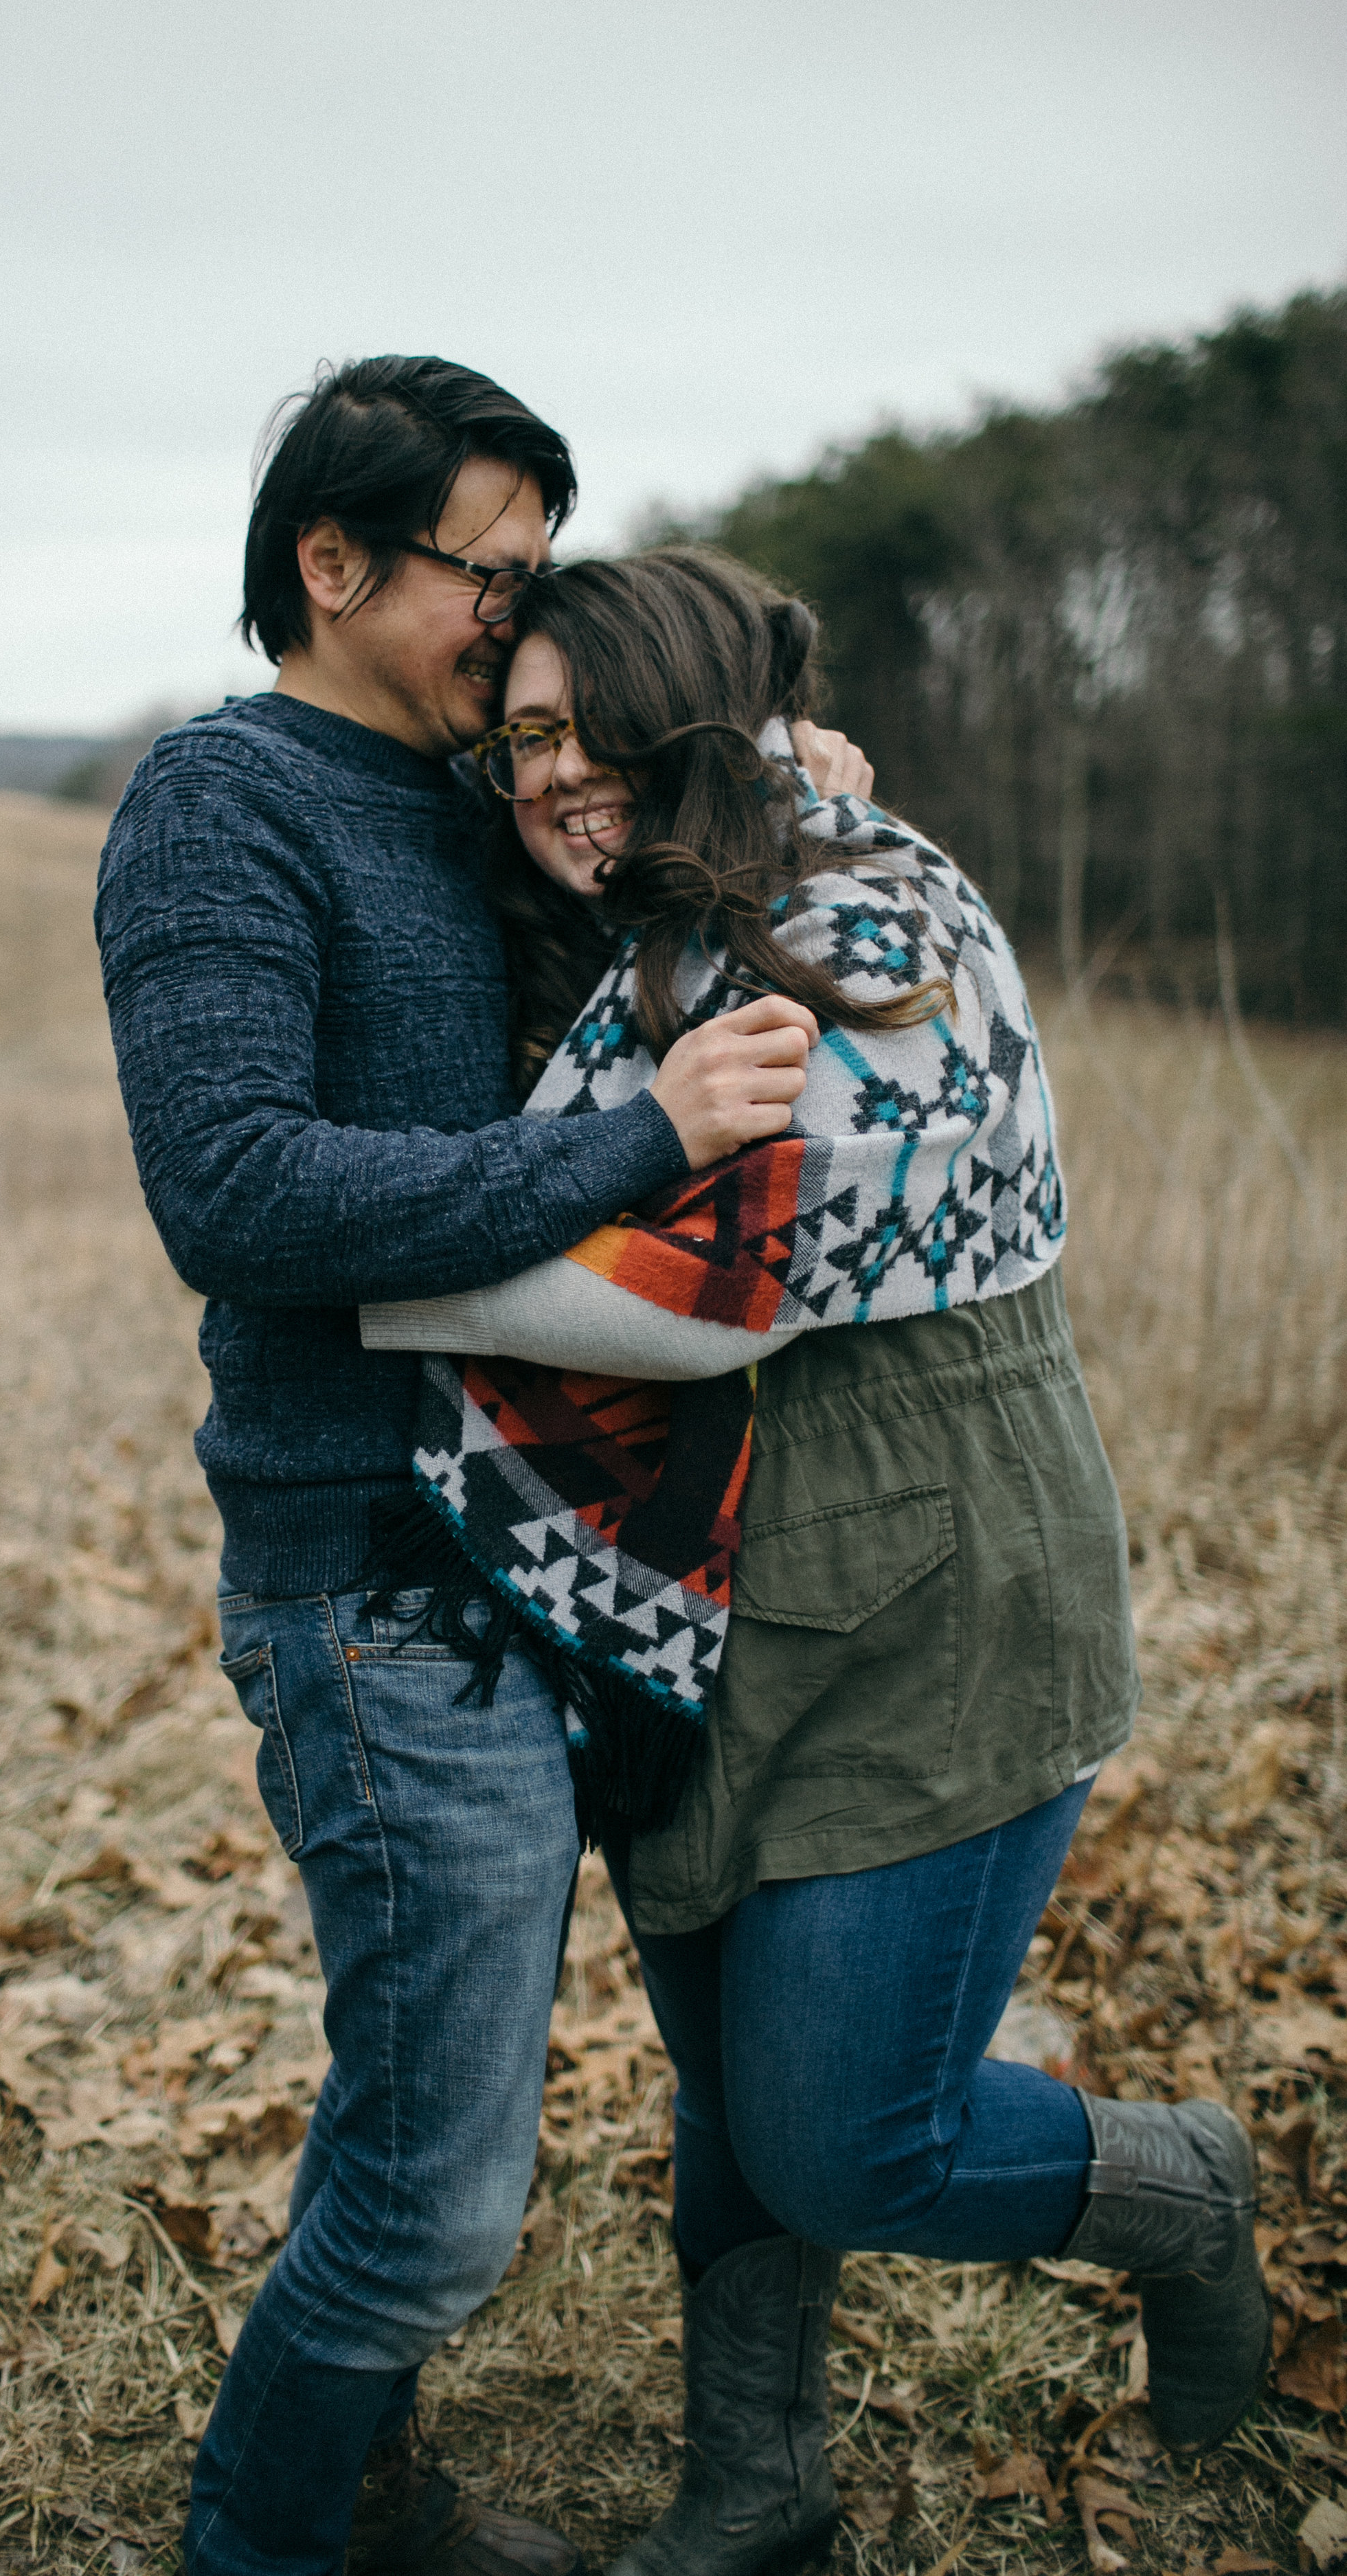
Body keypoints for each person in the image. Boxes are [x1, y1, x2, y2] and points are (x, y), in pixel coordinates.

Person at [364, 547, 1271, 2576]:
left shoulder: (865, 909)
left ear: (710, 722)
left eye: (600, 730)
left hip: (933, 1564)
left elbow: (708, 1302)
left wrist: (348, 1284)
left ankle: (1181, 2195)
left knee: (851, 2133)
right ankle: (759, 2498)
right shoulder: (653, 913)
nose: (555, 776)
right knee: (732, 2094)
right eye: (523, 737)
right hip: (687, 1574)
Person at [94, 361, 821, 2576]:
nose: (518, 638)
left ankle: (376, 2493)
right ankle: (269, 2542)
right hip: (377, 1574)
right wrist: (639, 1144)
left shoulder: (479, 782)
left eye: (533, 585)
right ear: (330, 567)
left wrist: (778, 780)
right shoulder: (222, 807)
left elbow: (649, 855)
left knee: (423, 2115)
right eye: (484, 581)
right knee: (439, 2202)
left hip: (594, 1548)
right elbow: (237, 1189)